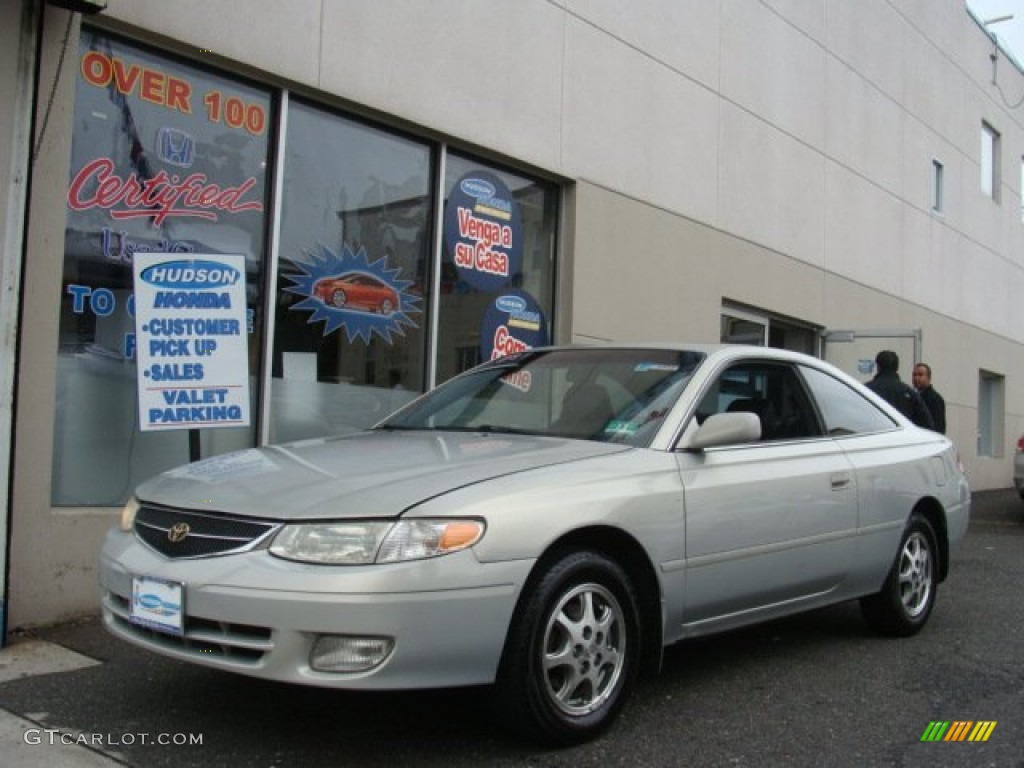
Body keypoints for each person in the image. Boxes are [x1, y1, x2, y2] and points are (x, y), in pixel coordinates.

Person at [865, 350, 934, 429]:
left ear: (878, 366)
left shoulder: (866, 390)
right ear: (897, 368)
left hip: (873, 437)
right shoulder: (909, 393)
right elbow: (927, 423)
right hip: (903, 438)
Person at [912, 362, 946, 434]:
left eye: (920, 375)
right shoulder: (912, 397)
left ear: (929, 378)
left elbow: (938, 426)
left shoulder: (935, 399)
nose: (916, 378)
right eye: (914, 375)